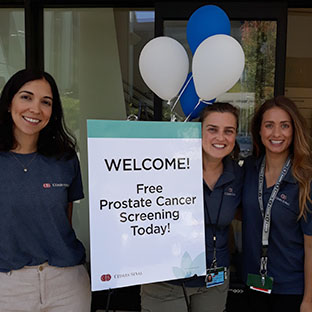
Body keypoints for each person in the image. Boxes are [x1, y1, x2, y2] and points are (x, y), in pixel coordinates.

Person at [0, 69, 91, 311]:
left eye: (46, 102)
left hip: (67, 284)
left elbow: (64, 221)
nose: (35, 109)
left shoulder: (65, 159)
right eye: (26, 97)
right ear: (9, 103)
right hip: (8, 286)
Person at [140, 102, 243, 312]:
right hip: (166, 280)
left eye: (228, 131)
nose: (220, 138)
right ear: (199, 131)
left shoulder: (238, 176)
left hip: (214, 280)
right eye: (212, 129)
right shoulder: (168, 166)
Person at [242, 96, 312, 312]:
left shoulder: (305, 179)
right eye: (269, 125)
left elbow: (311, 248)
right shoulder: (249, 169)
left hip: (291, 290)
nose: (276, 134)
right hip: (253, 283)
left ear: (294, 130)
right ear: (259, 130)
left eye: (284, 126)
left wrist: (308, 301)